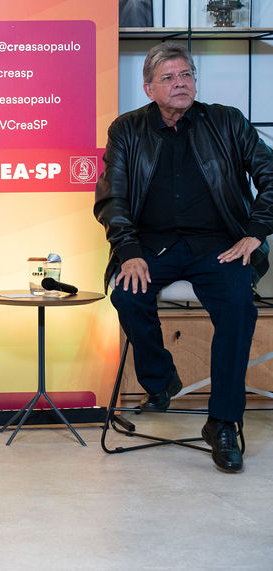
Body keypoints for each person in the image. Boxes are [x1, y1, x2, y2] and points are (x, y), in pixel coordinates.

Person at [95, 41, 273, 473]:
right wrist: (128, 250)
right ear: (149, 88)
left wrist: (255, 232)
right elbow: (112, 198)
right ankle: (160, 379)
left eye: (186, 75)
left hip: (219, 246)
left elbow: (271, 175)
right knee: (127, 295)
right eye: (169, 78)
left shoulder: (227, 121)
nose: (180, 84)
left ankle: (223, 423)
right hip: (153, 245)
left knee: (238, 307)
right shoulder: (127, 129)